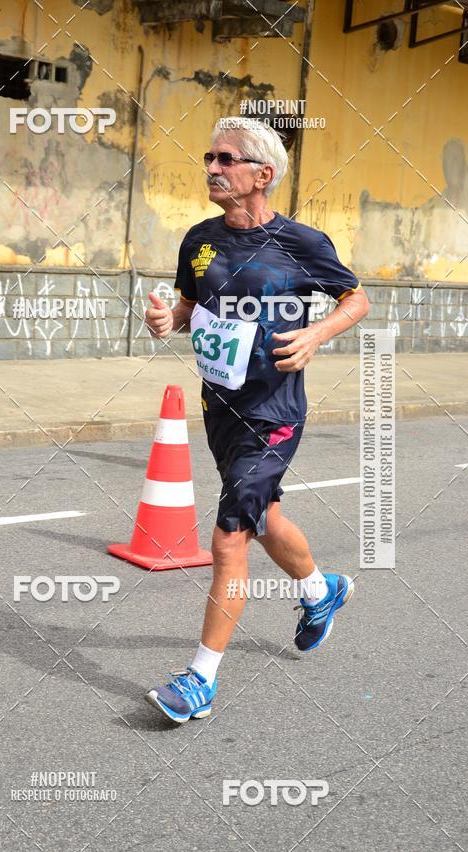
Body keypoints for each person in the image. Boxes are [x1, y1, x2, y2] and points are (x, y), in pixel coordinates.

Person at [143, 117, 370, 724]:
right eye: (209, 157)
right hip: (220, 406)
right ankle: (322, 591)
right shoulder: (199, 239)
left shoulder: (302, 243)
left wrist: (316, 334)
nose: (212, 168)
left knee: (228, 535)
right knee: (260, 515)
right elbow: (190, 307)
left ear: (263, 174)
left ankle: (200, 680)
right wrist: (169, 321)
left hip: (275, 412)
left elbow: (356, 298)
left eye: (226, 159)